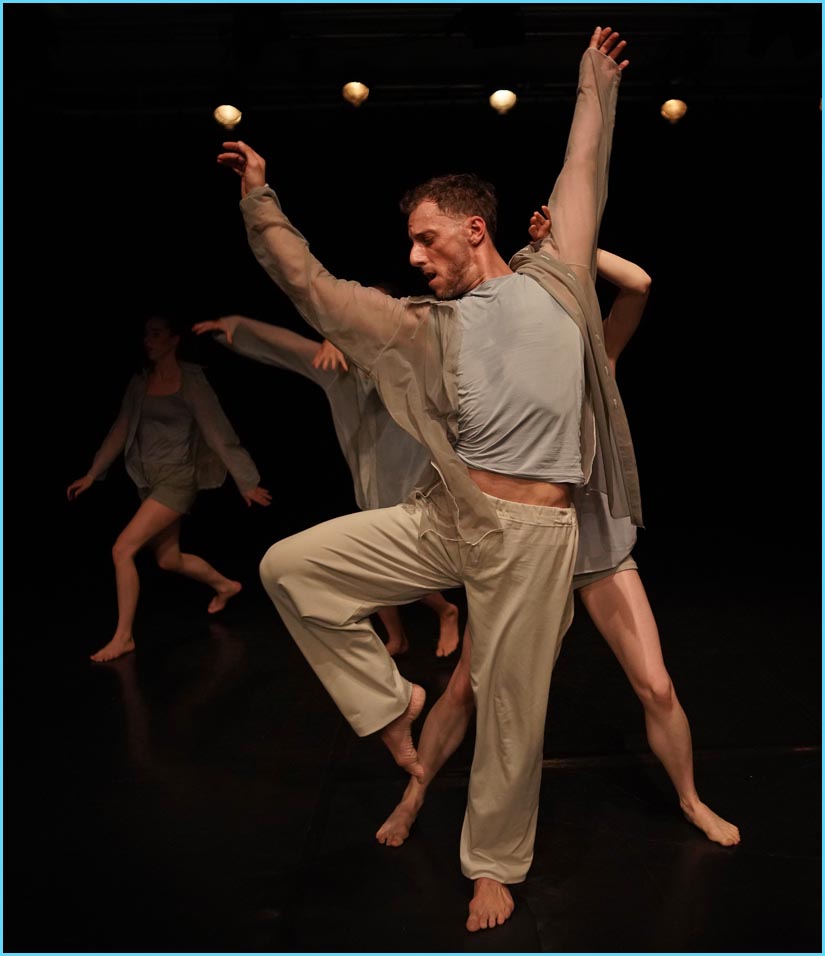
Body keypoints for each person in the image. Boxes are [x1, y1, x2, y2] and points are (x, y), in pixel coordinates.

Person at [216, 26, 636, 932]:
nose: (412, 257)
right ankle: (389, 700)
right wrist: (260, 200)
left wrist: (593, 82)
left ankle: (492, 866)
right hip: (451, 514)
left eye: (424, 239)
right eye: (410, 245)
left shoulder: (559, 277)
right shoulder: (424, 326)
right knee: (290, 568)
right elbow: (316, 289)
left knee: (511, 709)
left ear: (472, 229)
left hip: (535, 538)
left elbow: (582, 166)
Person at [375, 207, 741, 853]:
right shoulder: (500, 369)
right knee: (464, 689)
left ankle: (690, 800)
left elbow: (638, 283)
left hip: (594, 545)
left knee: (656, 685)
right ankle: (412, 797)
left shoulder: (594, 356)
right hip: (522, 547)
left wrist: (563, 247)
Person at [191, 295, 462, 658]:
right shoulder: (340, 369)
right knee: (371, 563)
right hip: (370, 482)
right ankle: (397, 636)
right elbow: (289, 348)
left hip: (412, 478)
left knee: (401, 558)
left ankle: (445, 610)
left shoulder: (410, 360)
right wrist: (236, 327)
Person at [67, 312, 272, 663]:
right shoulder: (141, 381)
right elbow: (121, 429)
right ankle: (225, 585)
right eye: (146, 334)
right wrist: (92, 473)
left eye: (156, 334)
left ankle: (123, 637)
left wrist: (247, 481)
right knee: (168, 559)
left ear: (174, 339)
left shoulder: (191, 382)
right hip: (148, 479)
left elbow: (218, 433)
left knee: (122, 550)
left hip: (177, 479)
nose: (148, 340)